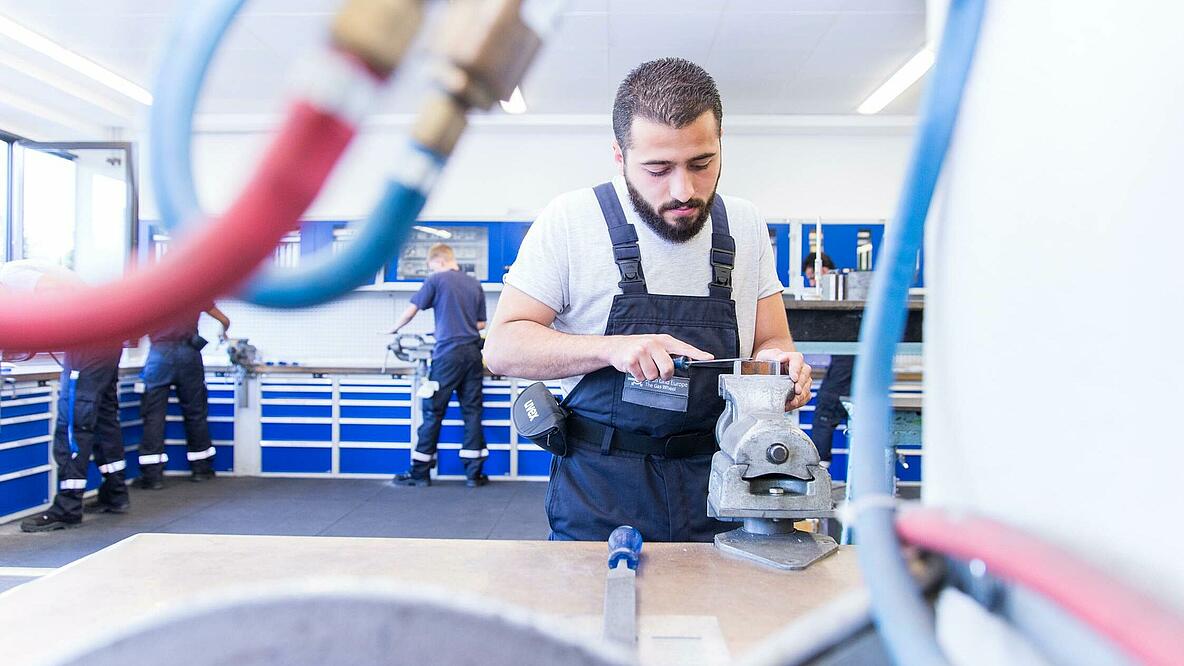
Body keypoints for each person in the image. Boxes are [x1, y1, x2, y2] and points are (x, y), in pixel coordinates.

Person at [484, 58, 813, 542]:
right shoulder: (572, 220)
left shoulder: (744, 225)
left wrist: (779, 368)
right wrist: (612, 348)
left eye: (702, 164)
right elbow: (502, 348)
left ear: (721, 144)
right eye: (658, 169)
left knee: (733, 617)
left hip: (724, 484)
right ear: (619, 155)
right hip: (602, 489)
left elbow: (772, 340)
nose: (684, 190)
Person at [0, 261, 130, 532]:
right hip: (106, 334)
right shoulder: (19, 278)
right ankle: (115, 493)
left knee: (73, 421)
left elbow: (57, 294)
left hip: (89, 338)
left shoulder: (11, 277)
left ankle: (67, 508)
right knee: (105, 418)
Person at [390, 243, 489, 488]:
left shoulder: (436, 280)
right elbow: (480, 324)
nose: (430, 270)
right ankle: (473, 475)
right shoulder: (474, 283)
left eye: (430, 265)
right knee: (472, 411)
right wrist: (454, 326)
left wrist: (394, 328)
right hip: (473, 354)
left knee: (433, 411)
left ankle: (420, 472)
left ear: (439, 261)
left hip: (447, 356)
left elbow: (411, 310)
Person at [136, 303, 230, 487]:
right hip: (189, 354)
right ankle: (201, 469)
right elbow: (224, 319)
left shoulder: (151, 293)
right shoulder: (193, 291)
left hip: (159, 354)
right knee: (196, 413)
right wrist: (223, 332)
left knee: (154, 416)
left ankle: (152, 477)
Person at [803, 251, 851, 463]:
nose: (812, 283)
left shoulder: (841, 294)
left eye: (813, 278)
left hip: (848, 365)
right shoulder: (843, 293)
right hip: (850, 365)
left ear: (823, 271)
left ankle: (819, 473)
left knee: (824, 413)